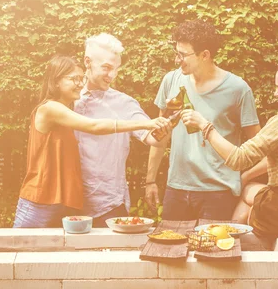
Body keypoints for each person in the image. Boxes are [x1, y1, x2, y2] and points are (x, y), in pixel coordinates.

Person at [182, 41, 278, 238]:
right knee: (253, 186)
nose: (275, 93)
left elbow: (238, 159)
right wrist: (247, 176)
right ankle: (232, 237)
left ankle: (227, 239)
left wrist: (205, 125)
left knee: (248, 192)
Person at [13, 56, 171, 228]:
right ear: (56, 81)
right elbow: (94, 126)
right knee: (18, 252)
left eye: (81, 78)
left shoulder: (69, 108)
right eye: (74, 79)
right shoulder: (50, 108)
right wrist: (146, 123)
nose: (80, 84)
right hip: (39, 200)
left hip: (59, 203)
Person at [145, 20, 261, 220]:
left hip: (218, 191)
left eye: (182, 55)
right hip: (177, 188)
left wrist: (244, 177)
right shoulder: (171, 81)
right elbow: (159, 135)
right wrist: (150, 181)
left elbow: (257, 145)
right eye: (176, 53)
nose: (176, 59)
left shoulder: (238, 89)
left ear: (205, 55)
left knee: (215, 251)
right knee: (171, 247)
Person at [74, 33, 168, 228]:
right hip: (67, 203)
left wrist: (166, 127)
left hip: (108, 205)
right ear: (87, 61)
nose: (112, 76)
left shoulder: (124, 103)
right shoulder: (66, 100)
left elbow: (153, 138)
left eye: (116, 69)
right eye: (107, 68)